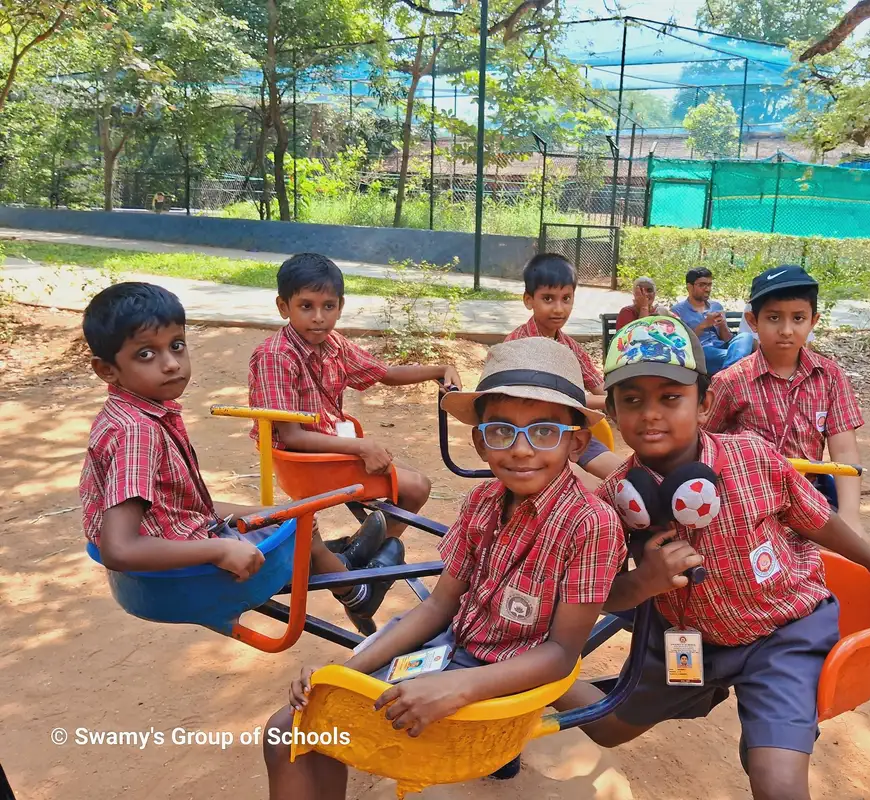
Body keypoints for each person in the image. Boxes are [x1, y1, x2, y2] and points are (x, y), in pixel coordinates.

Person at [554, 315, 870, 800]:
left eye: (670, 397)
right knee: (607, 726)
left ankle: (772, 733)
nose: (650, 414)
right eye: (632, 400)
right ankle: (527, 668)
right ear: (614, 415)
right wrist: (644, 583)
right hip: (686, 641)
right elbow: (599, 594)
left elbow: (813, 517)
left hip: (782, 631)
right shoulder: (616, 499)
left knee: (777, 782)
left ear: (704, 405)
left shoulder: (754, 457)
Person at [263, 337, 626, 799]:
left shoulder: (590, 525)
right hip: (449, 652)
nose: (520, 449)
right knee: (295, 727)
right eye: (501, 431)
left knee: (301, 734)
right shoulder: (481, 503)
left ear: (576, 442)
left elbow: (559, 655)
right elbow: (438, 606)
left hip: (496, 693)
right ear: (479, 442)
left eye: (545, 431)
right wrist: (345, 674)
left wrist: (457, 687)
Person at [247, 253, 462, 633]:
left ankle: (358, 569)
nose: (318, 317)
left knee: (406, 486)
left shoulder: (334, 346)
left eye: (328, 307)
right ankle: (364, 580)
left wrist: (440, 369)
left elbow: (386, 373)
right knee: (416, 488)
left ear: (341, 307)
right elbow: (293, 436)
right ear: (284, 307)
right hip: (306, 462)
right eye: (306, 307)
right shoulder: (274, 356)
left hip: (331, 452)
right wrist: (361, 448)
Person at [79, 282, 291, 581]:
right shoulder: (137, 431)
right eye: (146, 354)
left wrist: (272, 512)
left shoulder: (136, 414)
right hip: (187, 572)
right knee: (302, 535)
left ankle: (345, 564)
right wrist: (218, 550)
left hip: (188, 536)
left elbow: (187, 508)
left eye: (176, 346)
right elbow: (120, 549)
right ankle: (353, 587)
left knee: (293, 518)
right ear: (106, 370)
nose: (170, 364)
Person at [706, 266, 867, 537]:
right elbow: (703, 444)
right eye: (773, 318)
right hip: (745, 504)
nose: (786, 330)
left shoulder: (830, 377)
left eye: (798, 318)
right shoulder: (730, 382)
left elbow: (844, 452)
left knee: (845, 564)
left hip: (808, 498)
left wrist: (850, 516)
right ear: (753, 321)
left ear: (813, 322)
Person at [505, 253, 624, 480]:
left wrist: (620, 399)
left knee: (626, 479)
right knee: (583, 487)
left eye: (566, 299)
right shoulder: (519, 345)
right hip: (530, 439)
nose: (559, 309)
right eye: (548, 299)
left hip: (570, 433)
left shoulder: (569, 345)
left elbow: (598, 385)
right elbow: (543, 400)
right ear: (529, 300)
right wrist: (608, 402)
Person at [670, 267, 755, 375]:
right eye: (702, 285)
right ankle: (734, 368)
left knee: (746, 337)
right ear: (689, 287)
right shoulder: (677, 311)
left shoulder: (716, 306)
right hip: (701, 351)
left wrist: (722, 325)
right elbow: (679, 343)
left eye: (709, 285)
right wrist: (704, 325)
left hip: (722, 348)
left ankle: (725, 375)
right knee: (725, 354)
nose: (707, 289)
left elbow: (727, 339)